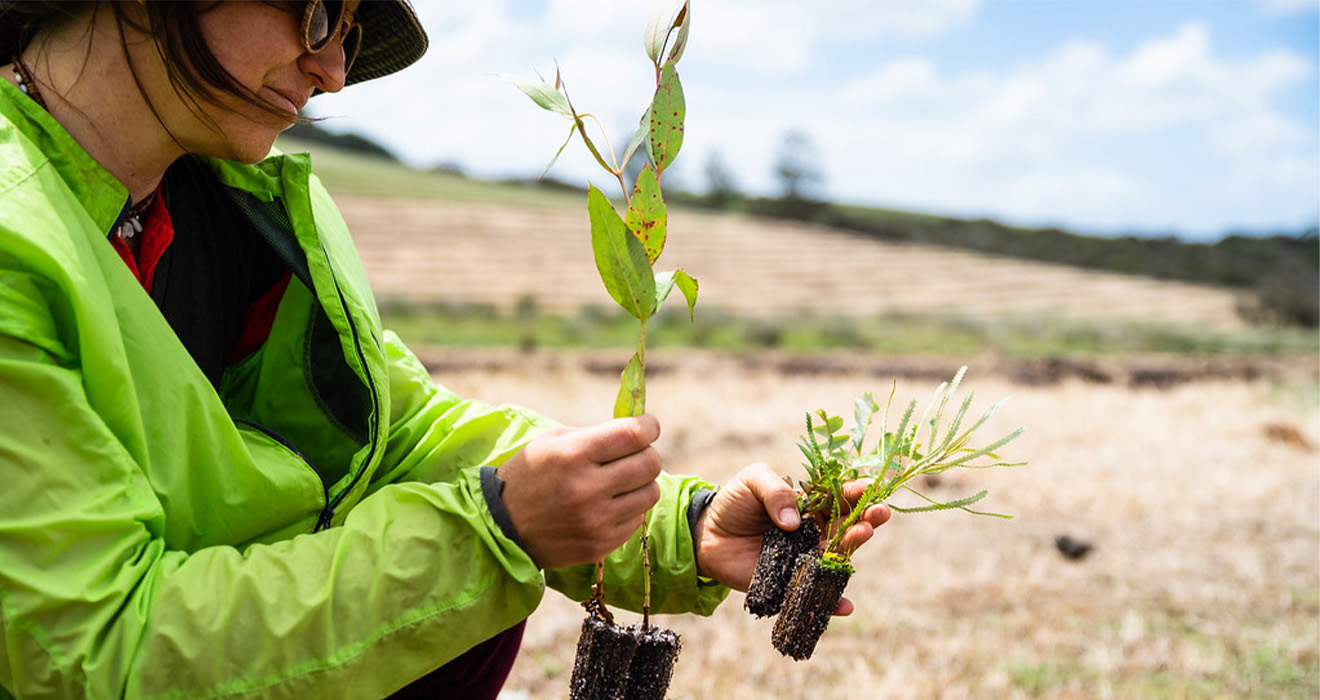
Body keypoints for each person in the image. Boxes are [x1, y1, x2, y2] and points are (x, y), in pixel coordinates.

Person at [0, 1, 891, 698]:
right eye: (315, 15)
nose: (336, 72)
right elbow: (92, 657)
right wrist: (488, 533)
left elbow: (400, 438)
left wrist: (677, 529)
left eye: (348, 34)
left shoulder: (241, 212)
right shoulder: (16, 241)